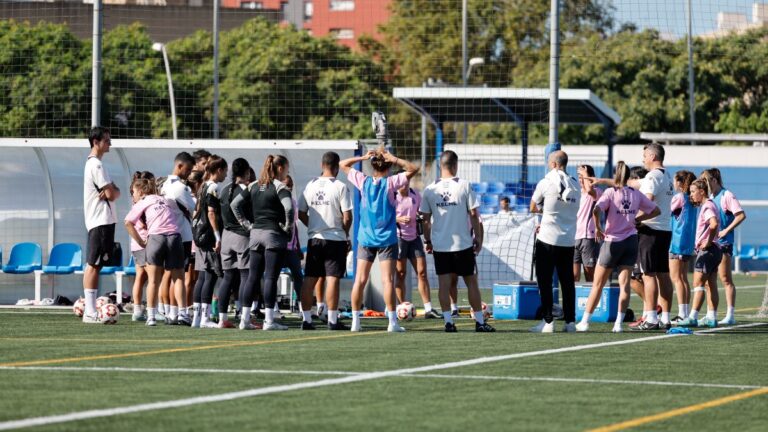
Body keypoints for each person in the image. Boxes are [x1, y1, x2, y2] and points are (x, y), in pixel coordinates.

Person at [340, 148, 419, 332]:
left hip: (366, 238)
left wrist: (363, 157)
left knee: (359, 280)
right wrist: (395, 158)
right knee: (388, 281)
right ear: (388, 165)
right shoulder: (391, 182)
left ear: (372, 164)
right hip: (386, 239)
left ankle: (355, 323)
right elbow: (413, 168)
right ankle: (392, 323)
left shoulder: (363, 180)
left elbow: (342, 164)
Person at [576, 162, 660, 333]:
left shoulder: (610, 192)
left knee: (597, 284)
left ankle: (584, 322)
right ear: (628, 176)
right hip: (630, 241)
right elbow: (656, 210)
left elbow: (596, 209)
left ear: (616, 175)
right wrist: (637, 219)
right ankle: (618, 324)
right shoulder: (636, 194)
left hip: (612, 242)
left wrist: (599, 228)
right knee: (625, 285)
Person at [420, 150, 495, 333]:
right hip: (462, 244)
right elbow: (474, 214)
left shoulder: (430, 189)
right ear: (455, 165)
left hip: (441, 245)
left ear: (441, 166)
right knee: (471, 283)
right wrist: (478, 238)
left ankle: (448, 322)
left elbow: (425, 220)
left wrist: (428, 240)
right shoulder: (464, 185)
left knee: (444, 284)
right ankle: (479, 322)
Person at [231, 155, 293, 331]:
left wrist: (247, 225)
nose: (287, 172)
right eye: (286, 168)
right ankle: (269, 321)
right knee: (271, 277)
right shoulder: (280, 187)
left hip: (255, 235)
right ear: (280, 168)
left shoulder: (253, 185)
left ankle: (244, 319)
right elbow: (288, 207)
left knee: (252, 276)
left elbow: (235, 204)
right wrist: (287, 227)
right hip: (273, 235)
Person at [298, 152, 353, 330]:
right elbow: (347, 216)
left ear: (322, 166)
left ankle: (306, 320)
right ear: (336, 167)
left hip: (315, 239)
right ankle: (332, 320)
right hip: (334, 238)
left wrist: (313, 226)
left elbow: (301, 213)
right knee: (332, 279)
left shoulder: (310, 185)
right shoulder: (340, 186)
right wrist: (344, 234)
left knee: (309, 280)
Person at [528, 151, 580, 333]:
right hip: (567, 240)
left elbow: (533, 206)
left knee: (544, 280)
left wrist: (546, 210)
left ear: (553, 164)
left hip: (548, 239)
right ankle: (570, 322)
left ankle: (548, 321)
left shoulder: (545, 182)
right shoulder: (575, 184)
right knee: (567, 282)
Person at [124, 178, 184, 327]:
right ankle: (182, 314)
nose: (134, 196)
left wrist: (140, 242)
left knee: (153, 280)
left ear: (142, 191)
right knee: (178, 278)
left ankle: (151, 317)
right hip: (174, 236)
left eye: (135, 192)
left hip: (156, 238)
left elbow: (128, 222)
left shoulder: (143, 201)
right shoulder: (165, 199)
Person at [81, 126, 121, 323]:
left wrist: (112, 191)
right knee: (93, 264)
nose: (109, 143)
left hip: (102, 221)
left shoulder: (97, 165)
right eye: (106, 140)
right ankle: (89, 311)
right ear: (96, 142)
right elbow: (113, 194)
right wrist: (112, 191)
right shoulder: (96, 165)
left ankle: (90, 309)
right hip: (99, 220)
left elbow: (114, 192)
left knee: (96, 265)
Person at [636, 143, 675, 330]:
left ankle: (651, 317)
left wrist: (634, 221)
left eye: (644, 155)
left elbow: (647, 202)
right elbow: (633, 184)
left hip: (650, 230)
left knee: (648, 275)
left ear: (652, 156)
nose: (643, 159)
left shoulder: (652, 176)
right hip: (664, 230)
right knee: (663, 275)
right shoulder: (666, 176)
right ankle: (665, 317)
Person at [701, 168, 746, 325]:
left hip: (724, 243)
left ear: (714, 180)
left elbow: (741, 215)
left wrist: (726, 230)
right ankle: (710, 314)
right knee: (708, 280)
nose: (704, 184)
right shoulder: (709, 198)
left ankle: (730, 315)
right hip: (710, 244)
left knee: (725, 278)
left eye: (705, 181)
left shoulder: (727, 195)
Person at [678, 179, 723, 328]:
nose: (691, 195)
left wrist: (708, 241)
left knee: (698, 284)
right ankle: (712, 317)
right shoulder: (709, 205)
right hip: (716, 250)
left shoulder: (707, 206)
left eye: (692, 192)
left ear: (702, 192)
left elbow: (714, 223)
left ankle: (692, 317)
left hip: (708, 251)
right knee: (711, 284)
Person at [160, 152, 196, 325]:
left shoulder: (163, 185)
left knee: (171, 276)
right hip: (182, 235)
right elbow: (194, 208)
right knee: (179, 276)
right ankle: (182, 313)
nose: (189, 173)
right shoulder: (181, 187)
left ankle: (172, 313)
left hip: (168, 234)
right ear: (179, 166)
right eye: (188, 169)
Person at [394, 182, 440, 319]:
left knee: (422, 273)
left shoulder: (415, 195)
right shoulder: (392, 195)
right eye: (402, 183)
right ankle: (401, 307)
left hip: (414, 239)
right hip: (398, 238)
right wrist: (399, 218)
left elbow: (423, 214)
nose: (405, 185)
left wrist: (427, 239)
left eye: (407, 182)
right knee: (401, 273)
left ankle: (428, 309)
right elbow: (385, 216)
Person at [191, 155, 228, 328]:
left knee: (202, 276)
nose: (226, 175)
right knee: (211, 275)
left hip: (199, 234)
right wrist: (218, 236)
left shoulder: (202, 186)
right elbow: (211, 213)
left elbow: (197, 211)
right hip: (209, 236)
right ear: (219, 170)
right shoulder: (213, 187)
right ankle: (205, 318)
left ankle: (197, 318)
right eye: (225, 171)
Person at [216, 158, 252, 329]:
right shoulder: (245, 190)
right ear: (246, 173)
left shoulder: (223, 190)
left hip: (226, 237)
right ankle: (245, 318)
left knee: (227, 277)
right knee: (246, 276)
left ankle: (222, 318)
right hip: (242, 236)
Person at [669, 170, 697, 323]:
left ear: (680, 182)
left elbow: (667, 212)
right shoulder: (691, 199)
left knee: (676, 278)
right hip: (686, 242)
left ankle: (682, 314)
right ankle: (684, 313)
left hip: (676, 241)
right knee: (683, 278)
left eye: (675, 180)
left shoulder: (679, 197)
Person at [128, 171, 155, 322]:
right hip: (143, 243)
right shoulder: (142, 203)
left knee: (141, 276)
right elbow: (145, 224)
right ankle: (147, 309)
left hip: (137, 244)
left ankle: (137, 309)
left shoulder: (136, 201)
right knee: (152, 277)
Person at [573, 164, 602, 283]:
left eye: (583, 177)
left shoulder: (597, 191)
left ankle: (595, 301)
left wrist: (585, 175)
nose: (581, 179)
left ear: (592, 178)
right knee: (573, 276)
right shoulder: (576, 193)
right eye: (579, 177)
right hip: (574, 237)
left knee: (590, 276)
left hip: (588, 238)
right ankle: (573, 302)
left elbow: (589, 189)